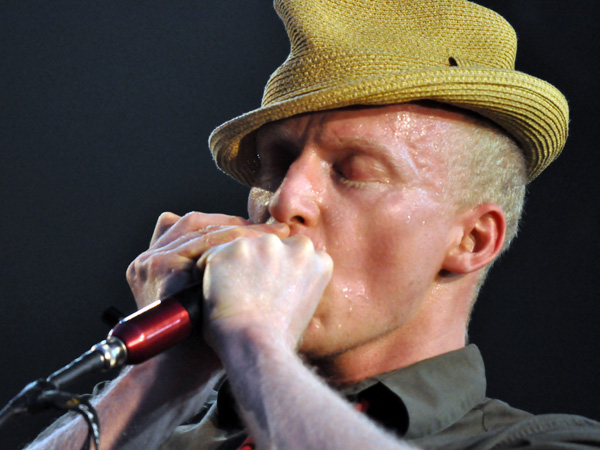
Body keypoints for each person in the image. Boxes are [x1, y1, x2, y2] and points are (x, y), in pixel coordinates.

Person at [27, 0, 600, 449]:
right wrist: (164, 375)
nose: (285, 200)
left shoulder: (545, 442)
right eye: (278, 163)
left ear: (472, 240)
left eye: (354, 171)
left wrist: (255, 343)